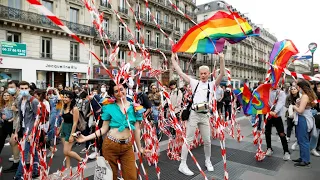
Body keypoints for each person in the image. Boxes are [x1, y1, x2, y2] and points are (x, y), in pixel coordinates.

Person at [76, 79, 147, 180]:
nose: (119, 93)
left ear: (126, 89)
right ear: (113, 93)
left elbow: (137, 130)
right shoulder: (109, 107)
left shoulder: (135, 108)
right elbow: (103, 129)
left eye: (121, 89)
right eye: (116, 91)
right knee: (110, 177)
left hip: (127, 147)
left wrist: (140, 148)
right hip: (110, 145)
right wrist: (85, 138)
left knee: (131, 177)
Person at [171, 52, 225, 175]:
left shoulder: (212, 84)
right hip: (194, 114)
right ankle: (182, 164)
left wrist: (221, 59)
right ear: (198, 74)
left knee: (207, 140)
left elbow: (222, 73)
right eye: (201, 73)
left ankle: (207, 160)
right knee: (188, 140)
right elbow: (180, 72)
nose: (203, 75)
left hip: (205, 115)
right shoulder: (195, 83)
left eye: (205, 73)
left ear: (209, 73)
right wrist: (174, 60)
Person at [14, 81, 40, 180]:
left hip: (31, 129)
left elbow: (37, 117)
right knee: (33, 150)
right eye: (22, 88)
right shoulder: (20, 100)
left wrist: (32, 132)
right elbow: (19, 117)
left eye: (26, 88)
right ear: (19, 89)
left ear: (29, 89)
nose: (24, 90)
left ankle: (19, 175)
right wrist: (16, 131)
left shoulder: (33, 101)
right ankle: (35, 170)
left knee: (24, 152)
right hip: (24, 128)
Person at [292, 80, 318, 167]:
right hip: (305, 118)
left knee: (303, 140)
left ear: (300, 87)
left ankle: (305, 160)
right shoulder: (307, 95)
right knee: (301, 139)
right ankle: (302, 157)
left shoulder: (304, 96)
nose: (297, 88)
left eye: (297, 86)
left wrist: (293, 106)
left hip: (303, 119)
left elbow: (300, 110)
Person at [57, 91, 83, 169]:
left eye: (66, 97)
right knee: (66, 152)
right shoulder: (64, 107)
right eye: (64, 97)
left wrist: (72, 135)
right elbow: (62, 117)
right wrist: (59, 129)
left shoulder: (74, 109)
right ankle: (68, 168)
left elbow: (75, 123)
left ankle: (81, 160)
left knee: (66, 151)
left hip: (70, 129)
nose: (64, 98)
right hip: (64, 129)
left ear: (71, 99)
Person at [265, 85, 291, 161]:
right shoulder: (266, 91)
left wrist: (275, 111)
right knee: (267, 132)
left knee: (281, 133)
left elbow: (280, 103)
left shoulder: (281, 92)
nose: (275, 84)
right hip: (268, 115)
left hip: (276, 116)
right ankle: (269, 148)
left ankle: (286, 151)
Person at [46, 87, 61, 157]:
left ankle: (51, 148)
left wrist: (56, 91)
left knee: (51, 130)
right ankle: (50, 148)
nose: (50, 94)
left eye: (50, 92)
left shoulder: (55, 97)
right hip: (48, 115)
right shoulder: (46, 98)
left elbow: (59, 99)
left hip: (53, 115)